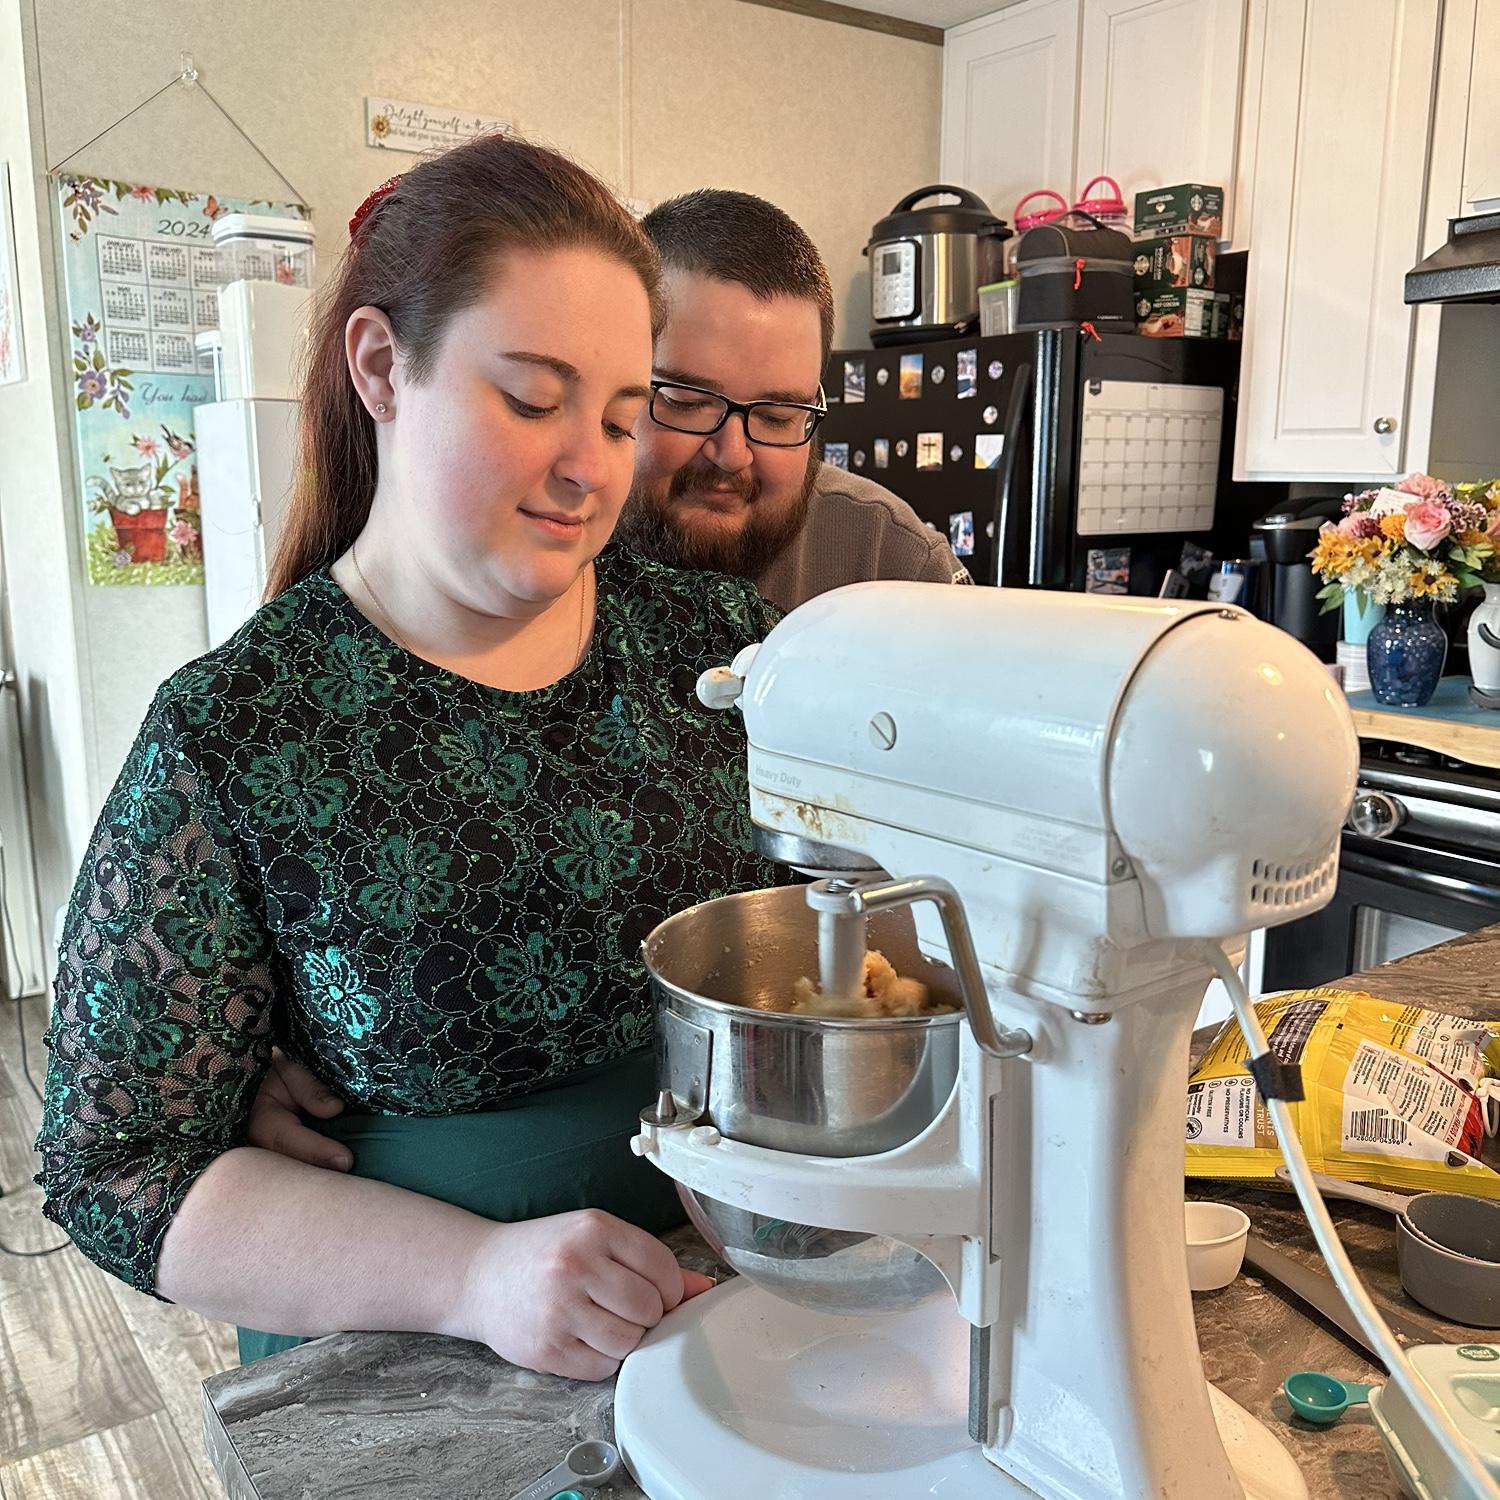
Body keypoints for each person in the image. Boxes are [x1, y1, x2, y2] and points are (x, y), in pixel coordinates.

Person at [34, 133, 784, 1380]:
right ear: (383, 367)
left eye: (621, 413)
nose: (589, 466)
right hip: (418, 1353)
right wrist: (474, 1277)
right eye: (533, 399)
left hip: (730, 1309)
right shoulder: (238, 730)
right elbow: (116, 1170)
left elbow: (843, 944)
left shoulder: (717, 652)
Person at [616, 188, 972, 612]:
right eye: (688, 402)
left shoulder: (890, 559)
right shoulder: (546, 530)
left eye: (777, 416)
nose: (731, 456)